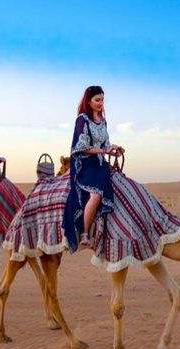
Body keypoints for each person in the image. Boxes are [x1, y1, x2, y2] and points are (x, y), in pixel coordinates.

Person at [62, 85, 124, 250]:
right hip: (85, 164)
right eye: (97, 100)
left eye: (102, 100)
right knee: (95, 195)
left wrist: (116, 151)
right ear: (88, 101)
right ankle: (84, 231)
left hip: (100, 163)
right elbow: (82, 147)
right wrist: (104, 150)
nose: (100, 103)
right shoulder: (82, 120)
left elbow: (106, 144)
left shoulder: (103, 121)